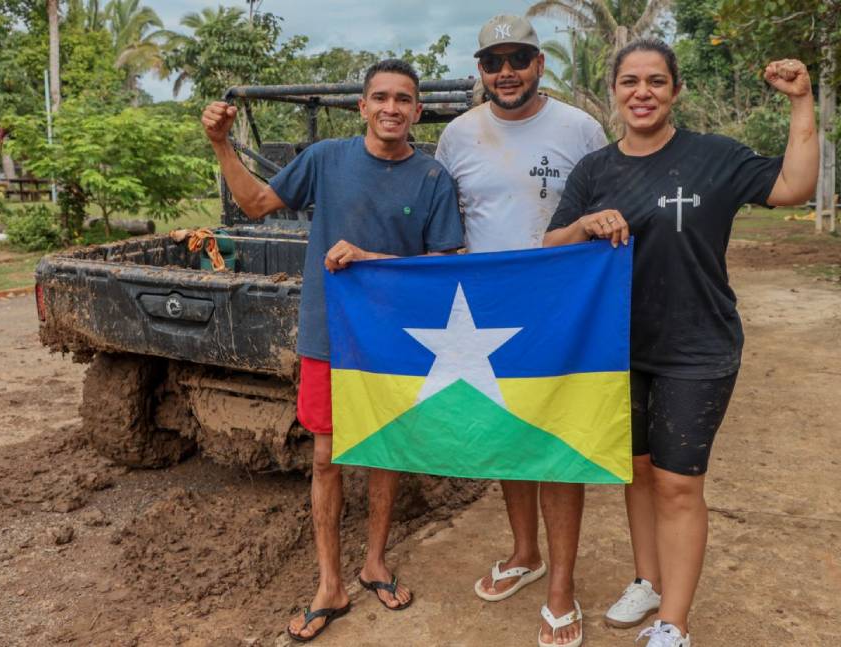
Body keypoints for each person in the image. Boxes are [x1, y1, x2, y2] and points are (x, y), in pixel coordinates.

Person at [543, 38, 818, 647]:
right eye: (630, 82)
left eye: (656, 82)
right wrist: (586, 224)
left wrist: (802, 103)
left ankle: (675, 623)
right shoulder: (595, 171)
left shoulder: (714, 158)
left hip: (698, 345)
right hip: (616, 346)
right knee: (636, 472)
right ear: (614, 91)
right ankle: (648, 581)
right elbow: (551, 246)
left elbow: (794, 185)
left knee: (677, 482)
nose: (642, 92)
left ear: (676, 90)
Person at [201, 58, 465, 642]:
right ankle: (330, 585)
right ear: (362, 107)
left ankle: (374, 563)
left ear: (417, 111)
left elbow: (447, 266)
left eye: (403, 99)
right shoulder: (326, 161)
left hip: (399, 342)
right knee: (326, 459)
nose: (391, 108)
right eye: (380, 98)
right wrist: (222, 145)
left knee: (386, 453)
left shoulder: (432, 179)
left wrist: (373, 260)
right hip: (330, 335)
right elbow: (256, 205)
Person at [434, 13, 608, 647]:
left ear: (539, 64)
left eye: (518, 59)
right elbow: (442, 223)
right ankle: (524, 553)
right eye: (492, 61)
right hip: (484, 311)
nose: (505, 71)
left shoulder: (580, 128)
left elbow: (606, 207)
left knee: (558, 443)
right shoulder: (456, 135)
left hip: (565, 307)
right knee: (509, 436)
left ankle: (561, 587)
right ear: (479, 71)